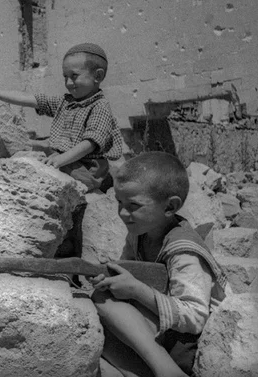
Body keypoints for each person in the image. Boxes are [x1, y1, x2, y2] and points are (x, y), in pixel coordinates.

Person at [90, 152, 229, 377]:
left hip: (188, 343)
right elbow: (133, 271)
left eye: (133, 205)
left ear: (169, 207)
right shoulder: (139, 233)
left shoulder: (184, 250)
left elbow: (195, 318)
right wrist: (111, 278)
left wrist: (135, 289)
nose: (123, 213)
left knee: (103, 303)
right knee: (95, 313)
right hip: (164, 331)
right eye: (119, 202)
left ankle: (168, 371)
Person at [0, 42, 123, 192]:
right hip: (66, 159)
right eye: (65, 77)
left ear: (98, 76)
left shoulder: (100, 106)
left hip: (86, 167)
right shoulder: (67, 102)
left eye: (74, 76)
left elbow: (89, 143)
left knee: (35, 175)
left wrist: (59, 160)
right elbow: (33, 100)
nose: (68, 83)